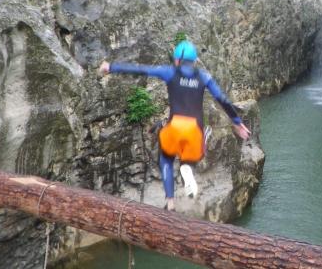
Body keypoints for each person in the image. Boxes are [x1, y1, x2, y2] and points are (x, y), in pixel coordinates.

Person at [99, 41, 251, 211]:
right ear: (194, 61)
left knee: (165, 159)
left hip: (174, 127)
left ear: (177, 60)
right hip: (194, 129)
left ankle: (170, 201)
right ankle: (188, 167)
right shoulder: (204, 76)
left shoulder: (169, 72)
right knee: (197, 149)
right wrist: (238, 123)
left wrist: (110, 66)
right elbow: (222, 99)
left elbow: (141, 68)